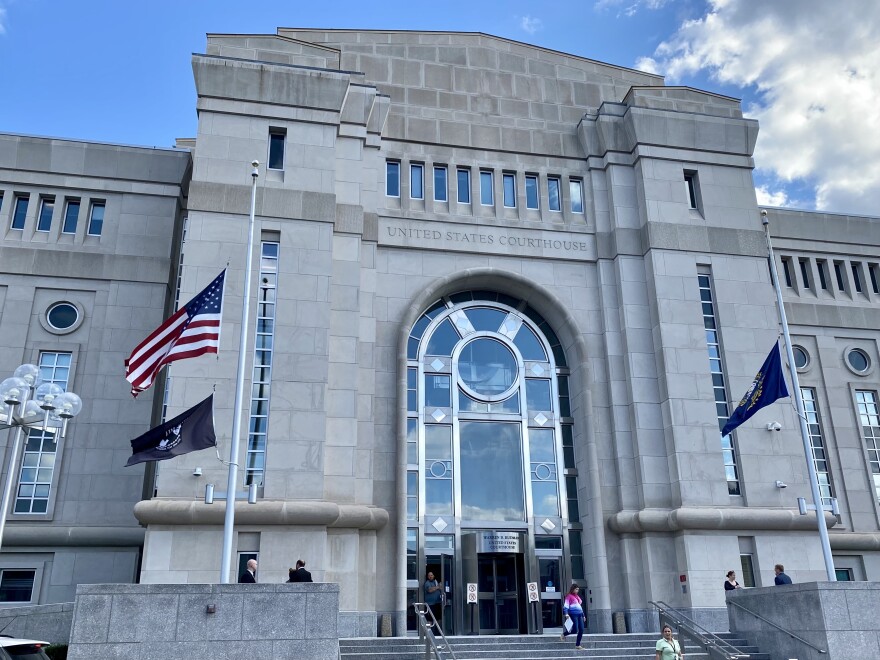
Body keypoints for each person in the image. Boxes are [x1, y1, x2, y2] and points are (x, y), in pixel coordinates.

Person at [560, 583, 586, 650]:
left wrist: (583, 615)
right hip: (573, 614)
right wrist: (566, 614)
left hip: (580, 614)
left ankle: (578, 645)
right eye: (576, 589)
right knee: (575, 630)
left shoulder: (577, 596)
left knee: (582, 629)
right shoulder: (569, 596)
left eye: (578, 589)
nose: (577, 591)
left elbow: (580, 607)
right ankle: (563, 634)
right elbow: (565, 606)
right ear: (573, 589)